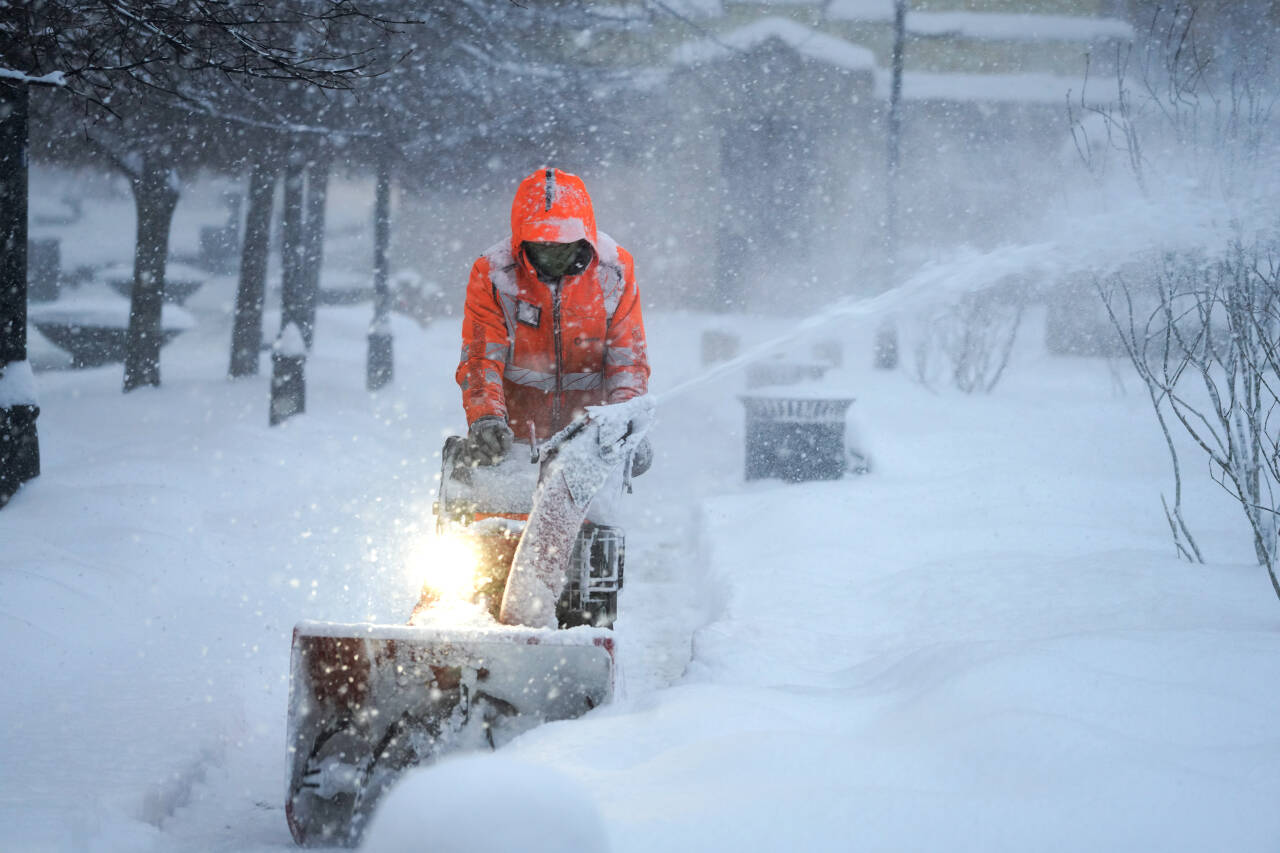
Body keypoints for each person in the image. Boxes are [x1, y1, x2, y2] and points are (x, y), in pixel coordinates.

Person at [456, 167, 652, 476]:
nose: (555, 258)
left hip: (591, 449)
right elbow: (481, 359)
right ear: (523, 241)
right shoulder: (493, 275)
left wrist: (627, 425)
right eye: (543, 247)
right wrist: (487, 419)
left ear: (584, 237)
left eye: (564, 246)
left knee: (594, 525)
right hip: (513, 447)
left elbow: (627, 362)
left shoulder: (614, 273)